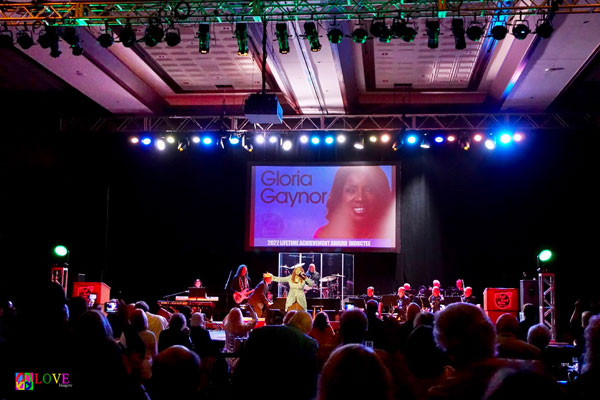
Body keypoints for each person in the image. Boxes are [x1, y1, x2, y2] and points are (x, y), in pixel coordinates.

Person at [314, 166, 394, 240]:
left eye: (369, 190)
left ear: (379, 194)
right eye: (351, 190)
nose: (360, 198)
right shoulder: (323, 235)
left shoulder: (389, 235)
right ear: (339, 195)